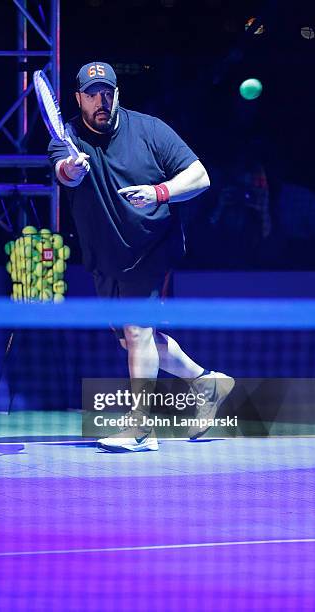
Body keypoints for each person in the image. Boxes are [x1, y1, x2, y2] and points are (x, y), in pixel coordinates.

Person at [47, 61, 234, 452]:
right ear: (79, 98)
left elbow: (200, 176)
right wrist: (73, 169)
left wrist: (160, 192)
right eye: (93, 94)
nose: (102, 101)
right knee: (132, 340)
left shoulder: (150, 130)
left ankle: (140, 426)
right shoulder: (66, 137)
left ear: (117, 94)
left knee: (137, 330)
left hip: (151, 245)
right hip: (105, 254)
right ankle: (206, 382)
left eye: (108, 92)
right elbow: (63, 173)